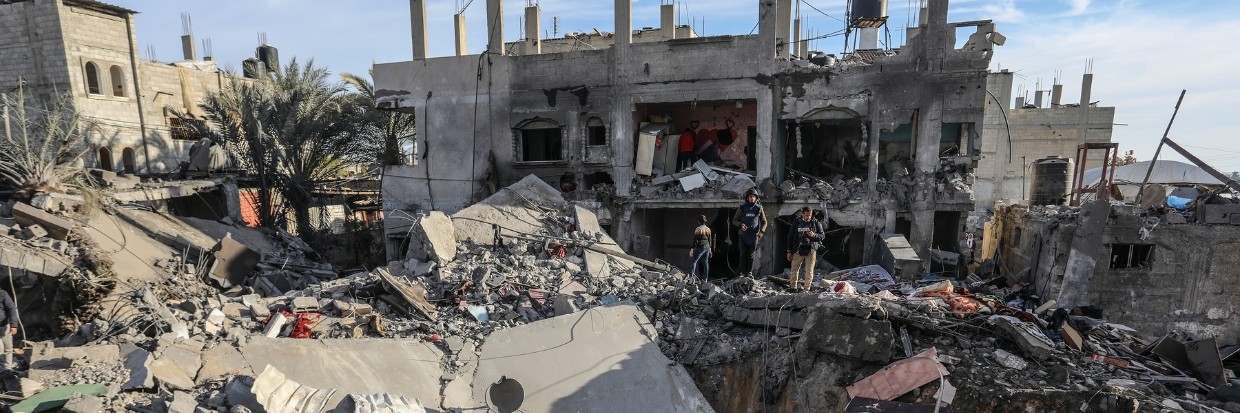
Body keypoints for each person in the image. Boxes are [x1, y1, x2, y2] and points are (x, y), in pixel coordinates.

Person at [786, 207, 825, 291]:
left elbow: (822, 236)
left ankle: (806, 288)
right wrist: (789, 251)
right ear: (802, 214)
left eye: (810, 215)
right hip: (798, 249)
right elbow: (790, 237)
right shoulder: (796, 223)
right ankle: (793, 287)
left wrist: (814, 235)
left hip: (811, 250)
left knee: (809, 270)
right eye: (806, 215)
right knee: (794, 269)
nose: (808, 217)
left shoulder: (815, 222)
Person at [732, 188, 768, 277]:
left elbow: (764, 222)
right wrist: (741, 225)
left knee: (751, 255)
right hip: (743, 234)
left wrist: (761, 232)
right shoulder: (742, 208)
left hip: (754, 235)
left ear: (756, 198)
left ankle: (749, 273)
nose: (752, 198)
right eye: (750, 196)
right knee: (743, 254)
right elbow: (734, 220)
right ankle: (742, 273)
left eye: (753, 197)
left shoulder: (759, 208)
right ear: (747, 198)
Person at [688, 215, 714, 281]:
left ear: (699, 221)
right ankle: (705, 279)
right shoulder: (708, 229)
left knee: (694, 261)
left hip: (701, 247)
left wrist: (692, 249)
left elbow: (695, 240)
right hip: (707, 247)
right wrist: (710, 250)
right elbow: (710, 240)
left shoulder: (698, 229)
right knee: (705, 262)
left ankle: (691, 278)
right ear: (705, 221)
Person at [0, 289, 17, 369]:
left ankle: (8, 367)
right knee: (0, 349)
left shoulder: (2, 293)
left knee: (8, 348)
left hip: (5, 326)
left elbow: (11, 309)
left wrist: (14, 325)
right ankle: (2, 368)